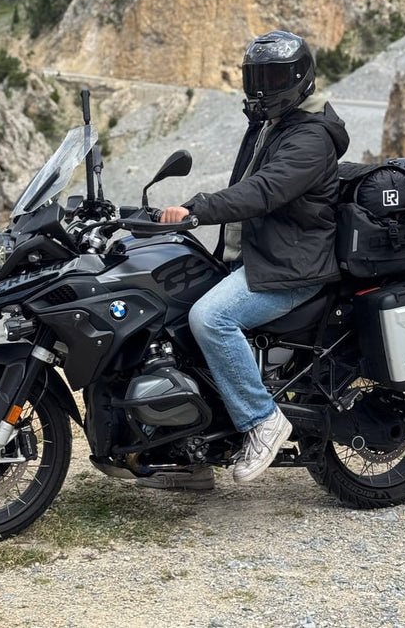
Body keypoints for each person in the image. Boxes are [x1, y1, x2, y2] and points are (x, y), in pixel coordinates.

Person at [140, 30, 349, 491]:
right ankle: (188, 455)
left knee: (211, 318)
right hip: (257, 258)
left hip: (291, 269)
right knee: (167, 314)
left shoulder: (311, 137)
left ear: (298, 79)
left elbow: (264, 191)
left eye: (272, 78)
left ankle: (262, 420)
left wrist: (197, 209)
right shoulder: (271, 124)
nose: (261, 89)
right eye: (256, 77)